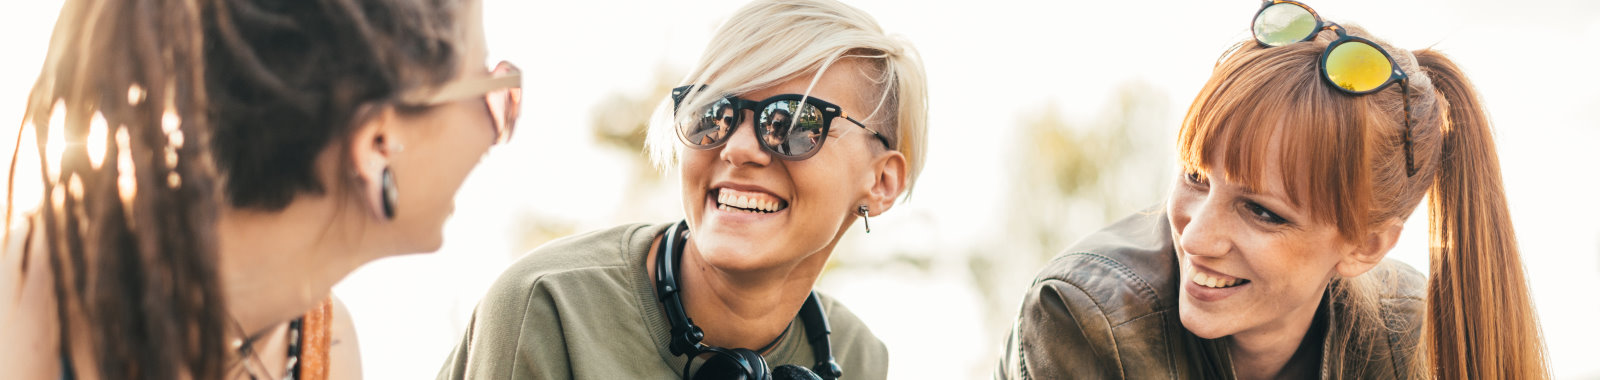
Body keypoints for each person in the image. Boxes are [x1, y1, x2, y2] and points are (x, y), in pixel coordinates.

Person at [998, 1, 1547, 379]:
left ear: (1368, 246)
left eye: (1261, 212)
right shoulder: (1083, 319)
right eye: (1196, 176)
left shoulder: (1407, 338)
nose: (1197, 238)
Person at [0, 0, 521, 379]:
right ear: (378, 142)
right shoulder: (22, 293)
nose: (499, 125)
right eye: (491, 87)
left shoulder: (325, 347)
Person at [436, 0, 926, 378]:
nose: (737, 148)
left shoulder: (859, 357)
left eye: (794, 123)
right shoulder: (546, 307)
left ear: (881, 182)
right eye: (714, 112)